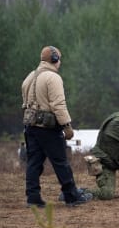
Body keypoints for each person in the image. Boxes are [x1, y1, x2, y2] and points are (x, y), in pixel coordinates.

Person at [22, 45, 92, 207]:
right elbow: (58, 105)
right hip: (48, 128)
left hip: (31, 126)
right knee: (61, 162)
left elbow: (25, 103)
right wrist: (66, 125)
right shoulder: (53, 78)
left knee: (33, 163)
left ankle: (33, 198)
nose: (60, 62)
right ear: (54, 59)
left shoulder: (30, 77)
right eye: (59, 59)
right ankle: (71, 196)